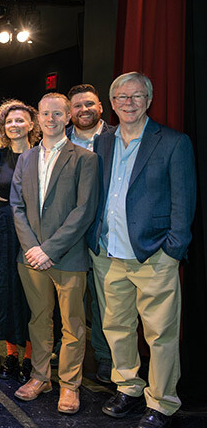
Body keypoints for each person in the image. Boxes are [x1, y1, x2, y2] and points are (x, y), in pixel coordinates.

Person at [89, 72, 196, 428]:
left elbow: (184, 202)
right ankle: (128, 387)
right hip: (109, 253)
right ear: (113, 102)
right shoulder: (103, 142)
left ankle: (162, 402)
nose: (128, 103)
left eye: (136, 96)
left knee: (160, 334)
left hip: (154, 255)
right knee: (117, 327)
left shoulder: (172, 142)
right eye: (121, 97)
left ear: (149, 100)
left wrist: (173, 250)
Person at [10, 93, 99, 415]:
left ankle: (70, 385)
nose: (51, 119)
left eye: (57, 113)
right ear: (38, 119)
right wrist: (33, 248)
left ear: (68, 117)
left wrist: (49, 249)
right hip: (31, 258)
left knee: (72, 325)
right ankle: (40, 377)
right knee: (38, 320)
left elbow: (84, 210)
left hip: (69, 257)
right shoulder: (26, 158)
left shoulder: (85, 159)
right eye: (45, 114)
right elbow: (16, 207)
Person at [0, 100, 39, 384]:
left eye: (20, 120)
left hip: (33, 227)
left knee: (30, 293)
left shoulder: (41, 155)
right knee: (5, 291)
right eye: (9, 121)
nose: (14, 125)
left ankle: (30, 357)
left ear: (31, 124)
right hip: (3, 226)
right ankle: (11, 355)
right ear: (2, 126)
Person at [66, 83, 115, 384]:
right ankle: (65, 349)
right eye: (77, 106)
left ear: (100, 107)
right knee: (68, 297)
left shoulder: (117, 138)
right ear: (69, 112)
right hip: (66, 232)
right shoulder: (58, 139)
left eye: (89, 104)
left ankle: (106, 357)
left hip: (102, 230)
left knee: (104, 300)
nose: (84, 110)